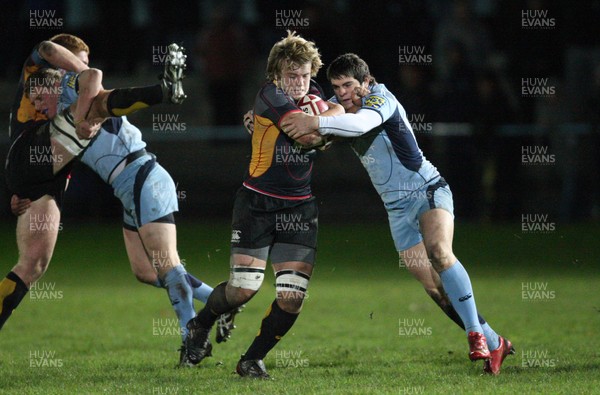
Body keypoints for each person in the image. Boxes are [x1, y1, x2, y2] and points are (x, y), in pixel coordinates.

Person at [280, 53, 514, 375]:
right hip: (395, 209)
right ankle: (495, 341)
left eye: (349, 85)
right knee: (435, 289)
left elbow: (359, 123)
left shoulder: (382, 99)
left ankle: (475, 335)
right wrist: (285, 127)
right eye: (336, 87)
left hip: (427, 190)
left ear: (366, 80)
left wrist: (316, 122)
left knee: (439, 253)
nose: (343, 93)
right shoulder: (336, 106)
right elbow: (315, 134)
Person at [3, 35, 238, 352]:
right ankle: (218, 300)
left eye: (86, 61)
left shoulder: (73, 90)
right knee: (146, 271)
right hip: (124, 184)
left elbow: (98, 96)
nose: (84, 66)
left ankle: (192, 337)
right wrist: (25, 190)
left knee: (167, 265)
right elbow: (52, 55)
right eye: (80, 59)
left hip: (140, 176)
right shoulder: (58, 91)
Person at [181, 31, 343, 378]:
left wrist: (334, 113)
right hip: (257, 204)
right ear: (275, 76)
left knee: (292, 297)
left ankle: (251, 359)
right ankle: (200, 324)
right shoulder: (270, 96)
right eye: (290, 75)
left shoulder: (313, 95)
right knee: (243, 290)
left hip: (299, 208)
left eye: (303, 75)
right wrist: (332, 125)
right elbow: (308, 135)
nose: (298, 83)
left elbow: (330, 117)